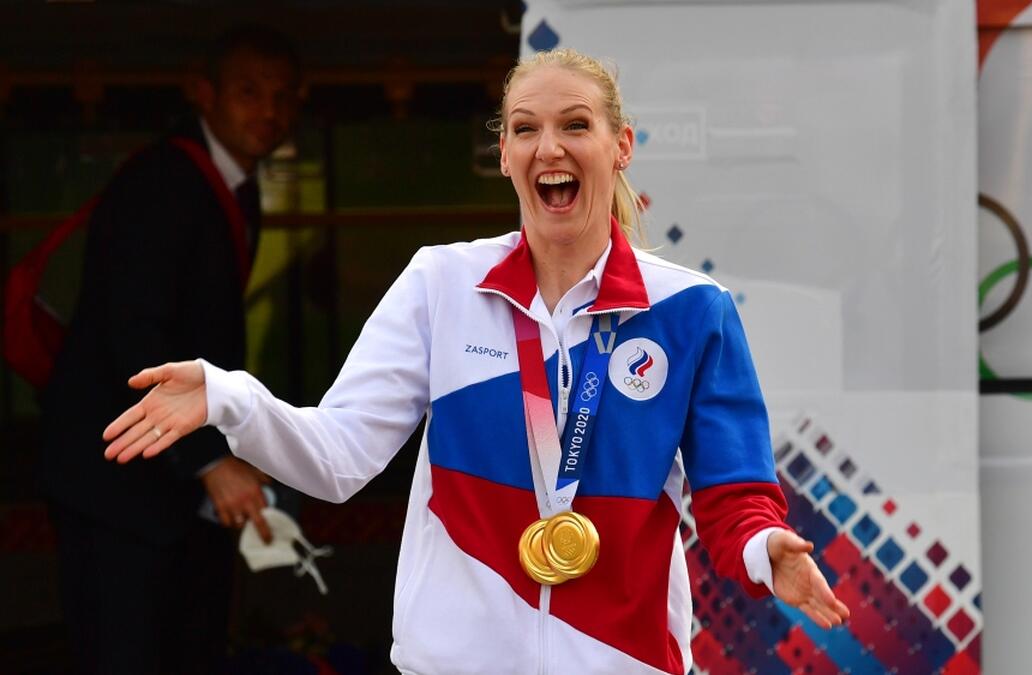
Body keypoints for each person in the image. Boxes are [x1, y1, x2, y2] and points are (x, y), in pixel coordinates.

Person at [101, 48, 849, 674]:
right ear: (505, 155)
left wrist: (766, 548)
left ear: (621, 146)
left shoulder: (691, 309)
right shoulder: (441, 285)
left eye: (575, 125)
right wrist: (229, 397)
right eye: (526, 129)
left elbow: (733, 492)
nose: (549, 147)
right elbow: (339, 456)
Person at [41, 25, 301, 675]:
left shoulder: (235, 186)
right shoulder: (161, 182)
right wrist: (209, 460)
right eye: (248, 92)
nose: (268, 111)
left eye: (282, 96)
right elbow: (132, 331)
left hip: (173, 483)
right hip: (118, 483)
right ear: (202, 92)